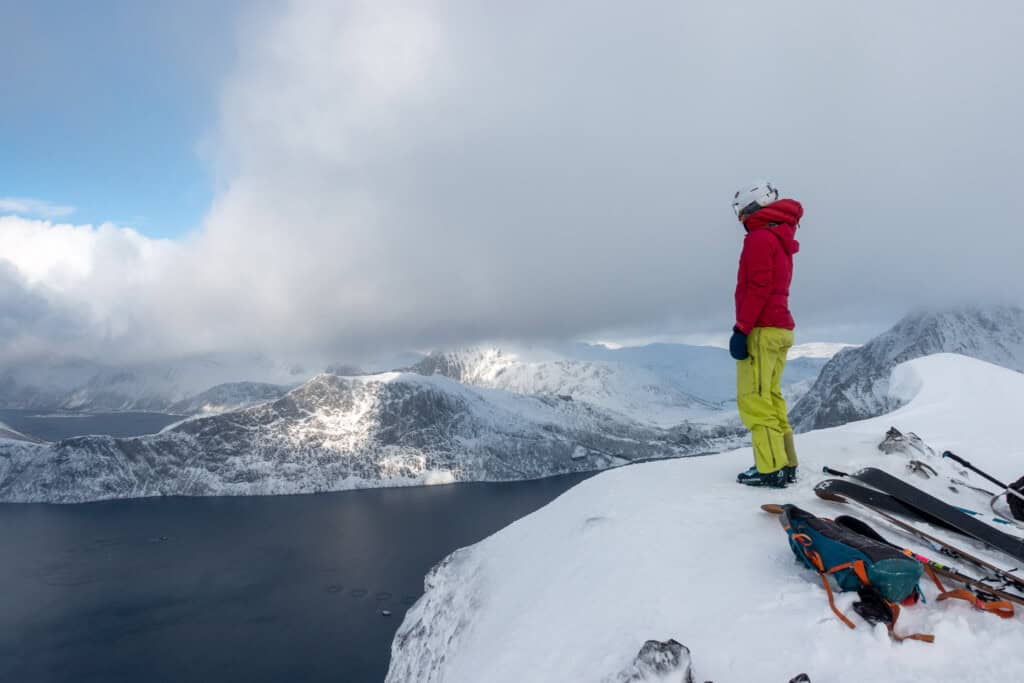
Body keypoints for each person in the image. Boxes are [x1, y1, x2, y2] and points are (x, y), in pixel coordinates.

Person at [729, 181, 802, 488]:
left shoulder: (760, 238)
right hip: (780, 327)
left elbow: (758, 288)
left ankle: (770, 469)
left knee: (754, 399)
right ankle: (785, 463)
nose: (741, 220)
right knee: (771, 397)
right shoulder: (779, 235)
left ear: (752, 208)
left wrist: (742, 329)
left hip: (762, 328)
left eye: (741, 212)